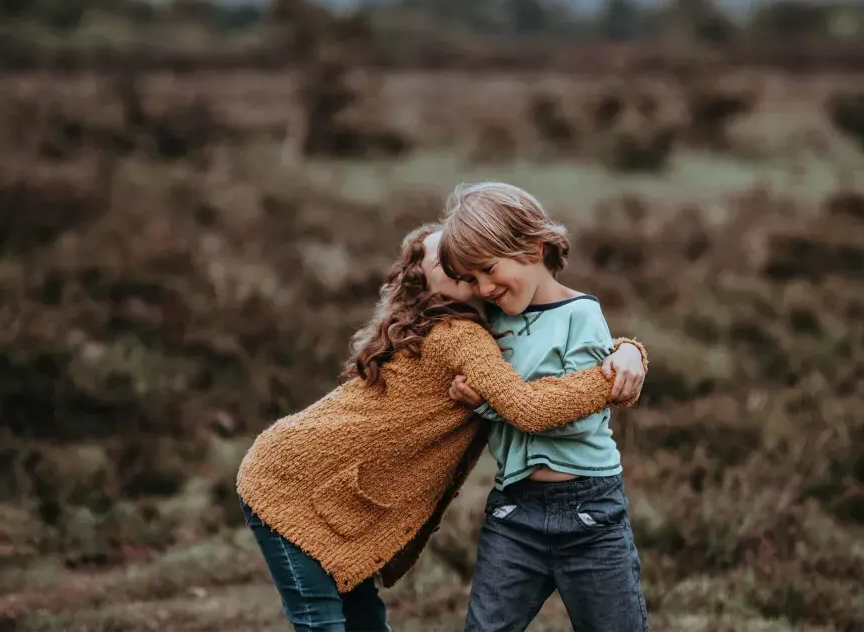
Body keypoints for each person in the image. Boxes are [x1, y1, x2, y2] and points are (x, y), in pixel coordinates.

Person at [235, 222, 648, 632]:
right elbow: (530, 405)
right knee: (322, 621)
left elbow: (546, 344)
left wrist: (627, 350)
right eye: (443, 258)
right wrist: (609, 378)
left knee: (364, 620)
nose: (456, 259)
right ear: (424, 283)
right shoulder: (459, 335)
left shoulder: (492, 321)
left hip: (316, 484)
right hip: (286, 484)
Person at [439, 182, 650, 632]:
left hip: (591, 512)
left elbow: (579, 415)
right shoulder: (491, 324)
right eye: (472, 278)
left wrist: (489, 404)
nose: (484, 287)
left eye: (489, 270)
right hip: (515, 511)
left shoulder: (582, 315)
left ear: (533, 247)